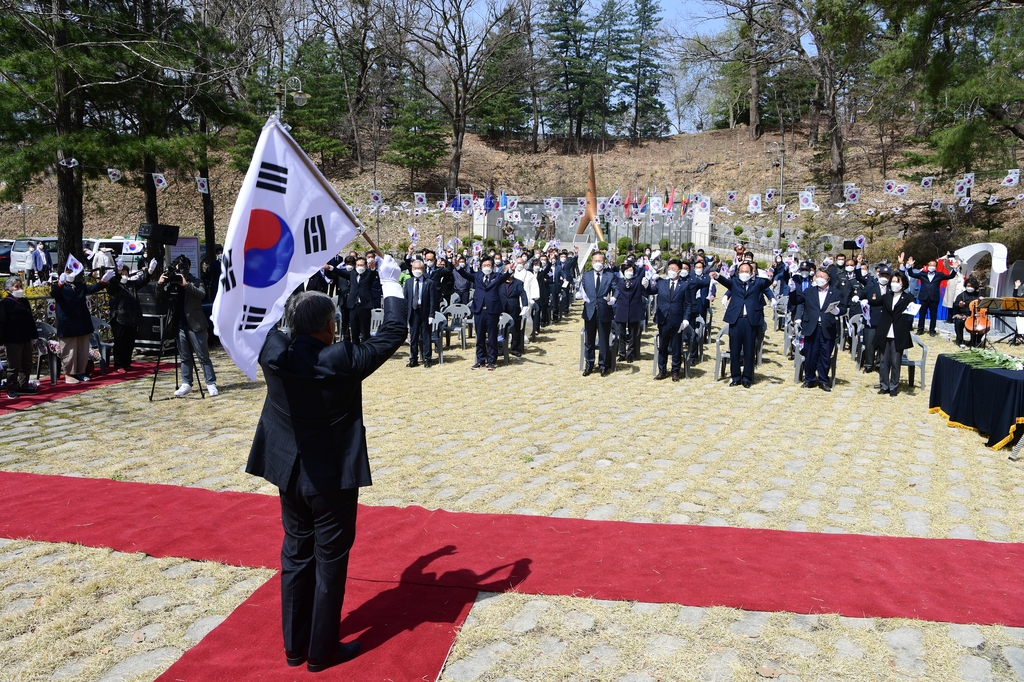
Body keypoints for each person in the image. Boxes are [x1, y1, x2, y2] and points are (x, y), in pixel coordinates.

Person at [246, 257, 406, 673]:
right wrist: (391, 284)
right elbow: (392, 333)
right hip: (331, 478)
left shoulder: (273, 352)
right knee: (329, 560)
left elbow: (258, 321)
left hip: (288, 471)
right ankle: (321, 651)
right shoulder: (342, 359)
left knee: (295, 555)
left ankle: (295, 647)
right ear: (330, 326)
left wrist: (279, 289)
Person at [157, 256, 218, 397]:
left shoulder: (196, 281)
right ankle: (186, 383)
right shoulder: (172, 282)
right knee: (185, 357)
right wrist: (160, 284)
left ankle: (210, 383)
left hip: (195, 324)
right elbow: (160, 297)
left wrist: (186, 285)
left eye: (183, 268)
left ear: (189, 268)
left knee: (203, 356)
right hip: (179, 324)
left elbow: (202, 294)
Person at [711, 262, 775, 387]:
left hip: (750, 320)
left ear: (751, 273)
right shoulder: (735, 282)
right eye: (741, 271)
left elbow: (767, 283)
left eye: (746, 271)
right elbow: (725, 282)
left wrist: (771, 276)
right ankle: (735, 377)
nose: (744, 273)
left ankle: (747, 377)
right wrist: (717, 276)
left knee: (749, 350)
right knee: (734, 349)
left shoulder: (758, 283)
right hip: (736, 319)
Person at [52, 258, 111, 384]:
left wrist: (103, 282)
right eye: (68, 271)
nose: (71, 273)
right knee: (70, 351)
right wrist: (60, 284)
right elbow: (54, 293)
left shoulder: (79, 285)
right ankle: (69, 374)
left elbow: (91, 289)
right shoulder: (60, 287)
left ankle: (80, 372)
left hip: (82, 323)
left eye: (72, 271)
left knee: (82, 350)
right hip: (68, 324)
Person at [455, 256, 514, 370]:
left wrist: (510, 270)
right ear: (481, 267)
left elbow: (504, 277)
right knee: (480, 336)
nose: (487, 267)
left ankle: (491, 361)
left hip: (492, 311)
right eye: (485, 265)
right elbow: (465, 275)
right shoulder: (477, 276)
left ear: (492, 267)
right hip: (479, 310)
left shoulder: (496, 276)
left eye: (489, 265)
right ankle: (480, 360)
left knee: (492, 337)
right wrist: (457, 266)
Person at [795, 267, 847, 391]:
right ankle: (810, 379)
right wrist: (792, 291)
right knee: (810, 355)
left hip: (827, 328)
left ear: (828, 279)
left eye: (822, 277)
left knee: (825, 355)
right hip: (811, 328)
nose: (819, 279)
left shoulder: (835, 293)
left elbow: (844, 307)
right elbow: (797, 301)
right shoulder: (809, 291)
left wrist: (837, 311)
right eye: (817, 276)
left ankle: (823, 380)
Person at [647, 259, 694, 381]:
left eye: (674, 269)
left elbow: (688, 304)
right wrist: (646, 285)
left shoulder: (684, 285)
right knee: (663, 346)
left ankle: (675, 371)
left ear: (679, 270)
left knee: (676, 347)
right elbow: (651, 291)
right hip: (663, 318)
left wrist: (686, 319)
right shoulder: (662, 283)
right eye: (669, 269)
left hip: (677, 320)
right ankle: (662, 370)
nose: (671, 271)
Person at [107, 258, 156, 373]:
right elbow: (111, 285)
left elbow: (142, 281)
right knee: (120, 342)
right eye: (122, 273)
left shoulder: (131, 284)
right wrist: (117, 273)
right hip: (119, 318)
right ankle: (119, 364)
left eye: (126, 273)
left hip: (132, 317)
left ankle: (127, 363)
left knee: (129, 342)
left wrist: (149, 271)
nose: (124, 275)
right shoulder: (115, 286)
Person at [874, 271, 915, 396]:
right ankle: (884, 385)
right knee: (883, 361)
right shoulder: (887, 296)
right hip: (885, 332)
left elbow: (914, 305)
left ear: (903, 284)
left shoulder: (907, 297)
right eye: (893, 281)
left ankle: (893, 386)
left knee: (895, 361)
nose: (894, 284)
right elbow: (875, 302)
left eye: (897, 282)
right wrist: (863, 300)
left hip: (898, 333)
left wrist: (912, 306)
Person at [578, 252, 618, 377]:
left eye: (600, 261)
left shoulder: (609, 276)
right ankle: (589, 364)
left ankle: (603, 365)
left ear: (604, 262)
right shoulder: (586, 276)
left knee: (603, 340)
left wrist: (614, 299)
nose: (598, 263)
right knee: (589, 340)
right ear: (592, 262)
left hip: (604, 311)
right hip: (589, 311)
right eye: (595, 261)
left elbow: (616, 289)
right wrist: (579, 294)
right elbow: (581, 289)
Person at [900, 252, 957, 335]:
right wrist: (909, 266)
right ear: (928, 265)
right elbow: (911, 274)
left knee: (933, 315)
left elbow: (950, 276)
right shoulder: (923, 274)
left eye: (933, 265)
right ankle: (920, 329)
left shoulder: (939, 275)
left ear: (936, 267)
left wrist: (955, 269)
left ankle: (932, 330)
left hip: (934, 297)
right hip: (924, 297)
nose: (931, 267)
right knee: (922, 314)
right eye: (930, 265)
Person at [325, 257, 379, 344]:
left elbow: (373, 274)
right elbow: (341, 273)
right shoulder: (353, 274)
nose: (359, 267)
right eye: (358, 265)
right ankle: (355, 351)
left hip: (364, 306)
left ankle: (366, 352)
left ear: (365, 266)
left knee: (365, 332)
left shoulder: (368, 274)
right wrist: (330, 267)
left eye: (361, 265)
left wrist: (372, 268)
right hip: (353, 306)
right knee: (354, 331)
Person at [0, 277, 39, 398]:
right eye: (16, 287)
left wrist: (34, 335)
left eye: (20, 286)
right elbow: (1, 322)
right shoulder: (5, 304)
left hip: (25, 337)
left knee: (26, 363)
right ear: (8, 289)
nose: (19, 289)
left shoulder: (24, 301)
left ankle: (24, 385)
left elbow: (30, 320)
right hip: (13, 339)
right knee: (14, 365)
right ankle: (11, 388)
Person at [404, 260, 437, 367]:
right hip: (413, 312)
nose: (417, 270)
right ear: (412, 269)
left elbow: (433, 300)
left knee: (426, 336)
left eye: (419, 268)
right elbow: (406, 299)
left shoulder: (429, 282)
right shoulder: (408, 282)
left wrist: (431, 315)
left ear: (423, 269)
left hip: (425, 312)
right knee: (413, 337)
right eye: (415, 268)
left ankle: (427, 358)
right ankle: (413, 358)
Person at [614, 262, 646, 364]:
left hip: (634, 310)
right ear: (623, 272)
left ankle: (631, 354)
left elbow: (643, 272)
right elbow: (611, 272)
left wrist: (643, 265)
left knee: (633, 334)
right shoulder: (619, 281)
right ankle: (622, 353)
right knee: (621, 333)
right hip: (622, 309)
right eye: (627, 270)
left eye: (631, 270)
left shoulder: (637, 281)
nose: (629, 272)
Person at [499, 265, 529, 357]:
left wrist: (525, 306)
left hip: (514, 310)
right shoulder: (499, 282)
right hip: (501, 310)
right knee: (500, 330)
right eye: (507, 270)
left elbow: (523, 294)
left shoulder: (518, 283)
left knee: (515, 330)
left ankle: (515, 348)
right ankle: (500, 348)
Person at [951, 276, 984, 349]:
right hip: (964, 315)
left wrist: (982, 301)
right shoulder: (961, 295)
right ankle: (960, 339)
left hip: (976, 316)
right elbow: (955, 306)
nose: (969, 287)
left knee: (983, 324)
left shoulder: (979, 295)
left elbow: (985, 307)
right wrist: (959, 305)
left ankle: (975, 340)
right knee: (958, 322)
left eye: (971, 286)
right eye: (968, 286)